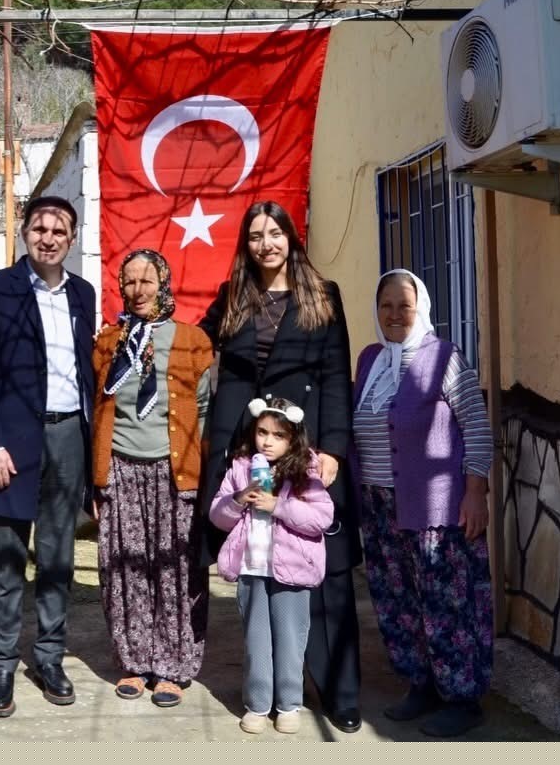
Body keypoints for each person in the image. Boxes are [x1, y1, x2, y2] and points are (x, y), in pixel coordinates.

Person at [197, 200, 362, 733]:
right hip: (246, 450)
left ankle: (339, 691)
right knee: (258, 567)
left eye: (274, 233)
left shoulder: (323, 295)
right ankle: (267, 691)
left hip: (306, 449)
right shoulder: (234, 297)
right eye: (254, 236)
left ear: (291, 236)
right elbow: (194, 345)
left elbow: (337, 376)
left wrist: (333, 448)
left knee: (323, 568)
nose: (265, 243)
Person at [0, 194, 96, 718]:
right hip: (10, 443)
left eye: (59, 230)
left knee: (59, 557)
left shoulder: (83, 294)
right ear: (24, 233)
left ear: (72, 238)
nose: (48, 237)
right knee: (5, 559)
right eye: (39, 228)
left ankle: (49, 655)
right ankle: (0, 662)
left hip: (69, 439)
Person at [352, 268, 493, 738]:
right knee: (398, 602)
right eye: (386, 305)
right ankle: (423, 684)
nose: (394, 314)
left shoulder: (443, 357)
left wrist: (476, 492)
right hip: (378, 507)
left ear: (422, 308)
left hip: (437, 507)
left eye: (404, 305)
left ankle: (463, 697)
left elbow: (475, 424)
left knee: (446, 603)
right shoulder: (369, 360)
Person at [91, 248, 215, 708]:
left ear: (164, 284)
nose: (139, 290)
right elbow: (97, 413)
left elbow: (203, 411)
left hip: (174, 471)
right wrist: (97, 481)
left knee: (176, 570)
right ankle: (135, 662)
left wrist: (201, 480)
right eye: (130, 282)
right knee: (126, 569)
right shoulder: (107, 344)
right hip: (121, 469)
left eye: (148, 281)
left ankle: (174, 667)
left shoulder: (193, 341)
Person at [210, 396, 334, 735]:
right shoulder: (240, 466)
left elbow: (321, 517)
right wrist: (238, 500)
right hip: (252, 567)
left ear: (293, 438)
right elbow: (217, 516)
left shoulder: (306, 470)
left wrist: (277, 505)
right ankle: (258, 703)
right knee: (256, 640)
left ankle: (289, 703)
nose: (267, 441)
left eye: (278, 435)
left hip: (293, 571)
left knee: (291, 638)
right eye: (262, 432)